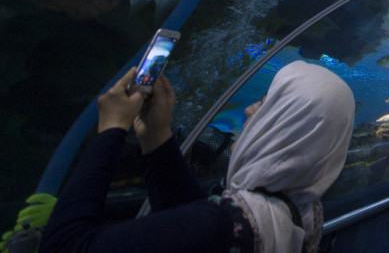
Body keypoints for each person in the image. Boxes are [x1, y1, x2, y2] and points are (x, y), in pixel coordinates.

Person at [40, 60, 355, 253]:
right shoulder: (297, 214)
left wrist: (110, 130)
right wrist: (155, 136)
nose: (249, 110)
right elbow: (192, 223)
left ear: (288, 125)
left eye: (265, 103)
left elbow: (64, 247)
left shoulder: (224, 226)